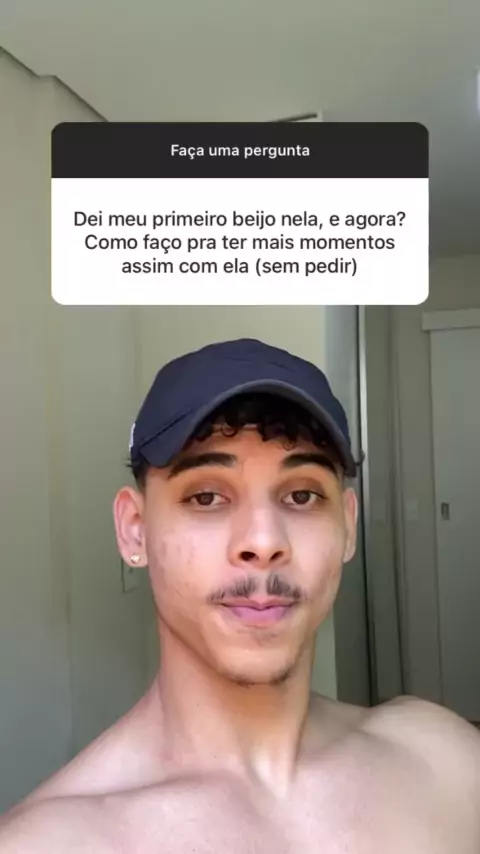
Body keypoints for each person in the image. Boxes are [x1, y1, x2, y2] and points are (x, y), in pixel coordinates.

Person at [1, 337, 479, 853]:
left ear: (347, 526)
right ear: (134, 530)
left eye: (302, 495)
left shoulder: (448, 765)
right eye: (206, 497)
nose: (264, 541)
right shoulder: (51, 842)